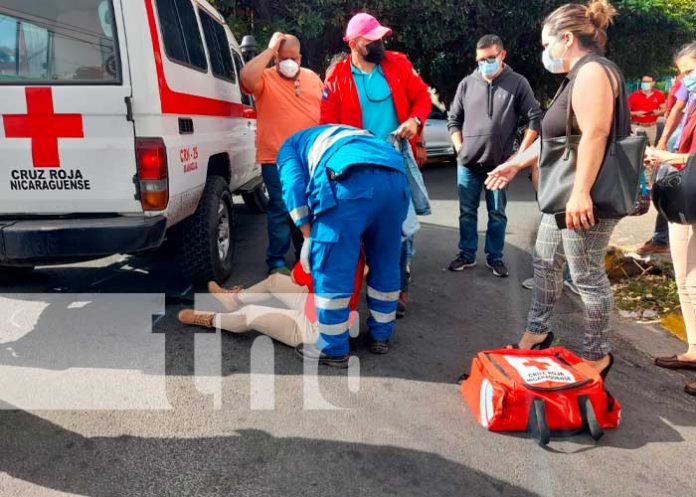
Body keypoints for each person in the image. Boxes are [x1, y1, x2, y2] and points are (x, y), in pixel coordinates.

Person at [485, 0, 625, 377]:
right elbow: (557, 137)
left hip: (584, 197)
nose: (546, 52)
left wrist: (581, 193)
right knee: (545, 262)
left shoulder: (594, 72)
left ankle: (597, 355)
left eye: (548, 44)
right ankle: (537, 333)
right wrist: (515, 162)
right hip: (562, 196)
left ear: (566, 38)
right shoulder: (577, 75)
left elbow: (595, 134)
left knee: (587, 277)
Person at [320, 13, 431, 315]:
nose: (380, 43)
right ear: (355, 43)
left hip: (395, 160)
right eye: (373, 39)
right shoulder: (337, 77)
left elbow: (422, 97)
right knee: (360, 230)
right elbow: (327, 126)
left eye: (381, 37)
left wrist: (415, 120)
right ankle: (358, 290)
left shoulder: (398, 64)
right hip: (358, 165)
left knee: (400, 230)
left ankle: (398, 288)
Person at [277, 125, 410, 367]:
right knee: (386, 260)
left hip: (347, 180)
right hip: (395, 177)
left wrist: (308, 235)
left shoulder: (289, 147)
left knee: (332, 266)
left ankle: (333, 347)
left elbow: (294, 188)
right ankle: (381, 336)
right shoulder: (345, 133)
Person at [447, 34, 543, 278]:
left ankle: (495, 257)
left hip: (499, 167)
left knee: (497, 214)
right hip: (467, 165)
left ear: (502, 55)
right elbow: (453, 120)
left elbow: (535, 117)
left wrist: (519, 157)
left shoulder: (517, 83)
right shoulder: (467, 84)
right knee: (467, 212)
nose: (485, 63)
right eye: (480, 59)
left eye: (491, 58)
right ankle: (467, 254)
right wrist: (460, 149)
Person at [240, 33, 323, 274]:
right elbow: (245, 77)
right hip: (275, 158)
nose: (288, 63)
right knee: (280, 209)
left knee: (308, 207)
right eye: (282, 58)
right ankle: (276, 261)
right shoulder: (264, 78)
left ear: (300, 57)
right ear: (276, 58)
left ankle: (303, 258)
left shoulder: (312, 77)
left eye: (293, 58)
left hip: (310, 159)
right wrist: (269, 49)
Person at [646, 41, 696, 396]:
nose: (686, 81)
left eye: (691, 72)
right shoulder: (691, 105)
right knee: (686, 278)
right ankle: (694, 350)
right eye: (682, 74)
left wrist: (665, 154)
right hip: (687, 199)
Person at [177, 257, 364, 348]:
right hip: (318, 306)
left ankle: (208, 319)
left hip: (316, 329)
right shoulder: (354, 244)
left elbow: (296, 275)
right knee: (274, 281)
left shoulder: (326, 244)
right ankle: (232, 300)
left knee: (249, 315)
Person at [628, 74, 666, 146]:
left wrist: (658, 112)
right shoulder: (633, 96)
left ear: (653, 83)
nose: (645, 83)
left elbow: (663, 109)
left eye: (648, 81)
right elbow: (626, 112)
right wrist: (636, 113)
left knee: (651, 149)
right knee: (637, 148)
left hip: (652, 127)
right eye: (644, 81)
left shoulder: (659, 95)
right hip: (637, 127)